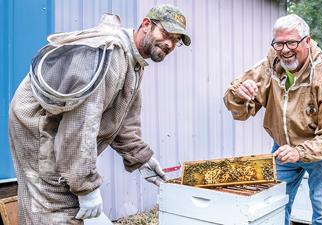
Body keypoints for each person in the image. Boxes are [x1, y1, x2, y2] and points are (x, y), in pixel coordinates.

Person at [8, 4, 190, 225]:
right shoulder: (109, 55)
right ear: (146, 25)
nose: (170, 43)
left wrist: (142, 158)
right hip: (38, 125)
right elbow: (80, 126)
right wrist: (86, 188)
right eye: (166, 33)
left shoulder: (133, 63)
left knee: (68, 200)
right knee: (53, 205)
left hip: (63, 128)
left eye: (176, 40)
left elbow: (123, 120)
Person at [224, 14, 322, 225]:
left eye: (291, 42)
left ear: (307, 41)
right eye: (279, 43)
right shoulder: (270, 65)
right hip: (283, 148)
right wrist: (239, 94)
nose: (284, 50)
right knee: (274, 206)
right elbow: (240, 110)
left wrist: (299, 151)